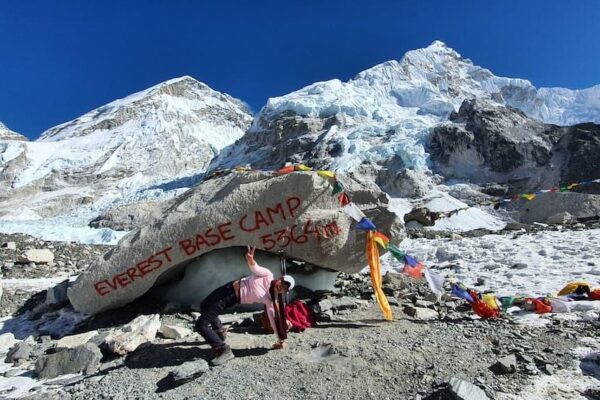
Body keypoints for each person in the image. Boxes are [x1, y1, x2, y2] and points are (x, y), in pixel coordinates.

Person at [195, 246, 295, 366]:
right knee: (205, 305)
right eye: (282, 283)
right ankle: (219, 332)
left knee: (201, 324)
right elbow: (255, 267)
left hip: (230, 298)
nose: (281, 287)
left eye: (285, 288)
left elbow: (274, 319)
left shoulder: (270, 300)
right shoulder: (268, 275)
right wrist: (250, 258)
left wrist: (280, 338)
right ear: (279, 279)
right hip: (228, 288)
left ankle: (223, 350)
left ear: (285, 292)